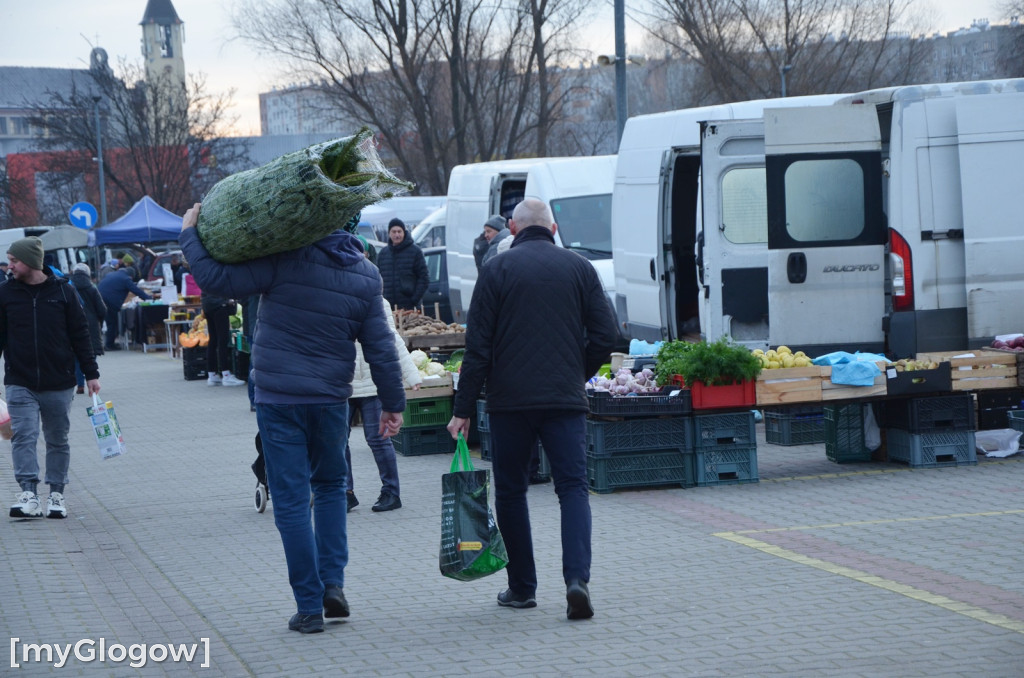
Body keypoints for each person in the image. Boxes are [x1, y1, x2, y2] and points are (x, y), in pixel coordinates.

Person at [180, 202, 406, 635]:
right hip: (330, 401)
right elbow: (381, 347)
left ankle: (308, 607)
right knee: (331, 489)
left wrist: (190, 233)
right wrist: (393, 404)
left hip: (279, 399)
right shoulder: (365, 274)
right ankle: (333, 585)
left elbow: (215, 279)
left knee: (290, 500)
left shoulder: (283, 257)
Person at [447, 198, 617, 621]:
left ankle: (522, 587)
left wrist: (463, 408)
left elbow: (478, 347)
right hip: (564, 400)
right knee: (573, 489)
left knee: (510, 492)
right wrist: (576, 371)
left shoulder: (497, 270)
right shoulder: (580, 268)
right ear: (554, 228)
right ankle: (577, 580)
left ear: (513, 228)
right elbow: (606, 333)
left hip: (510, 402)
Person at [0, 237, 101, 520]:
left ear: (31, 262)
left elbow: (81, 334)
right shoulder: (5, 293)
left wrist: (91, 374)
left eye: (14, 261)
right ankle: (29, 494)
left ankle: (56, 494)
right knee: (23, 435)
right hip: (19, 380)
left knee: (57, 438)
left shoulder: (64, 292)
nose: (9, 266)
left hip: (59, 381)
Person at [344, 295, 422, 514]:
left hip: (373, 383)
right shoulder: (334, 295)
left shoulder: (377, 300)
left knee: (378, 439)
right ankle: (345, 492)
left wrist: (411, 373)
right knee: (337, 440)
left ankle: (391, 492)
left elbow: (392, 339)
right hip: (342, 382)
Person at [70, 263, 107, 394]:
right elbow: (102, 309)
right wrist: (99, 320)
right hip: (91, 325)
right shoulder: (92, 288)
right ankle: (91, 380)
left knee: (75, 356)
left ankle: (80, 384)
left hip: (73, 324)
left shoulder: (68, 286)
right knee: (90, 354)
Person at [377, 217, 428, 311]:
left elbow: (424, 278)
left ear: (404, 232)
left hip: (410, 308)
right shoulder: (383, 254)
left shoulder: (415, 252)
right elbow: (378, 279)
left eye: (399, 231)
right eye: (394, 231)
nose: (397, 235)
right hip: (389, 308)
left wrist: (414, 300)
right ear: (389, 233)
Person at [97, 265, 151, 350]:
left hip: (99, 299)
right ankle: (109, 345)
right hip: (110, 301)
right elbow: (136, 291)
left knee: (104, 322)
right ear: (131, 276)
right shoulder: (126, 279)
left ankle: (103, 343)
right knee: (112, 322)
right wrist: (149, 298)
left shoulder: (111, 274)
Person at [201, 291, 245, 387]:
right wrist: (227, 300)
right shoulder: (219, 275)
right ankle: (226, 375)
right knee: (223, 340)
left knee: (213, 341)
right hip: (219, 305)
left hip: (207, 305)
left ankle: (212, 375)